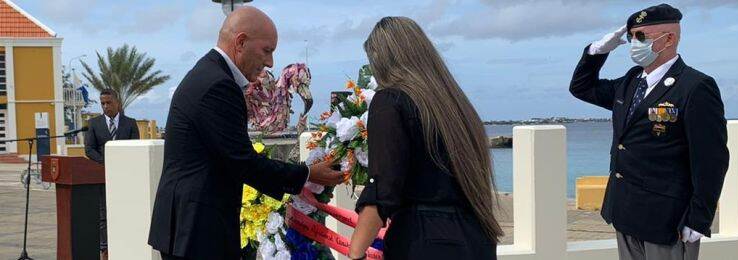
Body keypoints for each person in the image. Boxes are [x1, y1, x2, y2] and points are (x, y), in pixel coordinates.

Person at [147, 7, 344, 260]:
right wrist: (306, 174)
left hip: (190, 226)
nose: (270, 63)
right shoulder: (219, 84)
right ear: (240, 42)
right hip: (198, 229)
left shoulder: (208, 73)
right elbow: (242, 161)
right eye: (267, 50)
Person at [569, 4, 729, 260]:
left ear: (669, 39)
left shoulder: (695, 87)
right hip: (625, 211)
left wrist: (699, 219)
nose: (634, 44)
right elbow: (581, 87)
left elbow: (711, 159)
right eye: (632, 37)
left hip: (667, 218)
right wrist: (597, 51)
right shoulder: (632, 81)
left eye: (641, 37)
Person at [348, 16, 503, 260]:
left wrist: (355, 252)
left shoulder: (390, 101)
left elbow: (383, 189)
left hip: (423, 239)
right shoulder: (458, 108)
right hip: (476, 238)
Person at [84, 88, 140, 260]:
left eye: (109, 102)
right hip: (103, 177)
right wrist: (106, 161)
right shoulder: (94, 124)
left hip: (125, 178)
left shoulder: (130, 123)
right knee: (103, 214)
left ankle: (127, 243)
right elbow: (89, 149)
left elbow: (135, 148)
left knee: (125, 211)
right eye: (102, 103)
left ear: (118, 103)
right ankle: (105, 249)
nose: (105, 106)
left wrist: (121, 164)